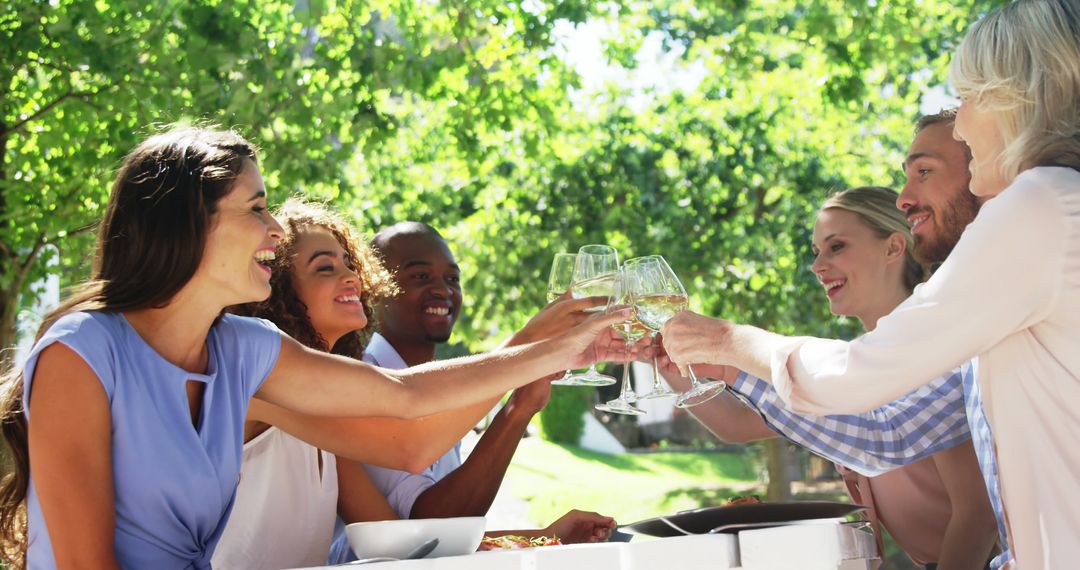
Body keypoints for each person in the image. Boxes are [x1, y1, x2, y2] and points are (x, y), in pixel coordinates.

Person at [0, 126, 626, 569]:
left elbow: (404, 405)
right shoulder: (81, 353)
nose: (274, 230)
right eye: (257, 209)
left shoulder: (244, 349)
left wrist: (555, 349)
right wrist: (546, 348)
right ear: (191, 223)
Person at [660, 2, 1080, 568]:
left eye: (968, 99)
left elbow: (865, 396)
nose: (960, 124)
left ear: (1017, 96)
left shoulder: (1039, 205)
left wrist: (725, 341)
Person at [211, 201, 614, 569]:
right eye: (325, 267)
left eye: (348, 264)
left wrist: (547, 538)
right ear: (278, 287)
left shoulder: (329, 423)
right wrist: (532, 343)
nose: (352, 277)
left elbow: (402, 544)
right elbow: (411, 443)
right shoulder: (258, 378)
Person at [660, 186, 997, 569]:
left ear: (893, 248)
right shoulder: (852, 368)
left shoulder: (932, 353)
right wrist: (668, 362)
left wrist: (726, 348)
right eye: (816, 252)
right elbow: (737, 424)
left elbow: (977, 517)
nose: (818, 265)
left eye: (837, 247)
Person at [327, 222, 616, 563]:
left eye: (453, 279)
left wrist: (545, 537)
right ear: (373, 289)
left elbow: (436, 541)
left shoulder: (444, 384)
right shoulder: (363, 378)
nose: (443, 290)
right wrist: (518, 392)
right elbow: (432, 528)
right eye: (421, 276)